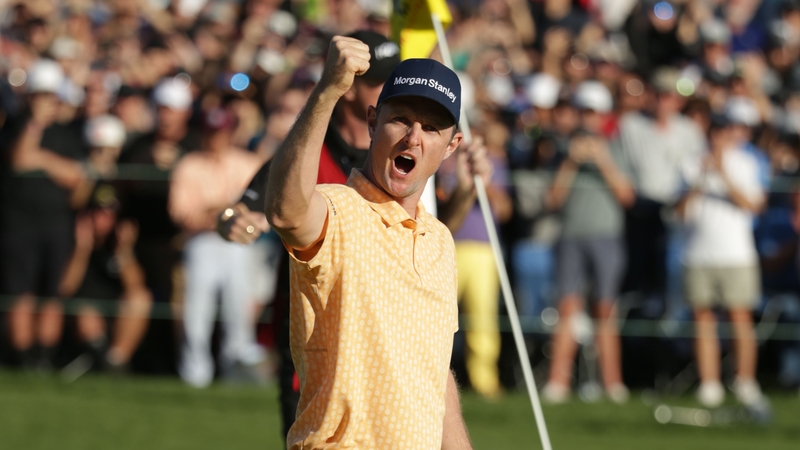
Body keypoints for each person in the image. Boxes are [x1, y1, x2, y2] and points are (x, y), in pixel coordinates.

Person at [264, 36, 473, 449]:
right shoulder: (338, 208)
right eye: (401, 120)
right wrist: (328, 90)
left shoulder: (440, 241)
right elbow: (287, 212)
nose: (414, 137)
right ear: (373, 122)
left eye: (431, 128)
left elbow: (437, 373)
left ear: (451, 147)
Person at [541, 81, 635, 403]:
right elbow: (552, 199)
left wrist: (603, 161)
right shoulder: (561, 149)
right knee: (567, 307)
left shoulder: (617, 147)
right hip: (570, 237)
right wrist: (571, 162)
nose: (587, 118)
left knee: (606, 310)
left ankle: (613, 384)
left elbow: (627, 196)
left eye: (593, 112)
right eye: (583, 111)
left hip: (607, 237)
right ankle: (558, 383)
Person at [0, 59, 88, 369]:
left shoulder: (68, 133)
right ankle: (22, 357)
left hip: (56, 223)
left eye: (52, 96)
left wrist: (43, 159)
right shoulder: (13, 126)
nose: (47, 103)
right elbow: (20, 159)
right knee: (20, 291)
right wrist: (34, 129)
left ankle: (44, 357)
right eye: (41, 95)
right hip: (18, 224)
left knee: (51, 292)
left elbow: (77, 176)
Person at [169, 105, 263, 388]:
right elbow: (182, 213)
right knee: (197, 310)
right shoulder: (189, 164)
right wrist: (224, 211)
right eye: (211, 132)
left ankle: (235, 370)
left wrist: (215, 210)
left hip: (237, 243)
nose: (215, 138)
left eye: (220, 132)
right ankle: (194, 373)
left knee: (239, 308)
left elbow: (254, 210)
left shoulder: (247, 163)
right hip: (201, 243)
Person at [676, 116, 766, 408]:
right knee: (703, 319)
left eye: (724, 131)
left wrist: (723, 174)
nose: (719, 137)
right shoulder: (690, 164)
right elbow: (679, 212)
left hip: (736, 255)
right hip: (697, 254)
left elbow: (752, 205)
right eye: (715, 132)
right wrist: (700, 179)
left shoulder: (746, 163)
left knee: (740, 318)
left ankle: (745, 381)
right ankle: (710, 384)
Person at [59, 184, 153, 377]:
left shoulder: (119, 243)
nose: (104, 219)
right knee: (86, 315)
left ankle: (114, 365)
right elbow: (66, 288)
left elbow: (136, 286)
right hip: (82, 316)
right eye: (99, 212)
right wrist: (82, 249)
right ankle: (100, 363)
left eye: (110, 213)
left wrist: (124, 252)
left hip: (115, 315)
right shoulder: (71, 238)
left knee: (140, 299)